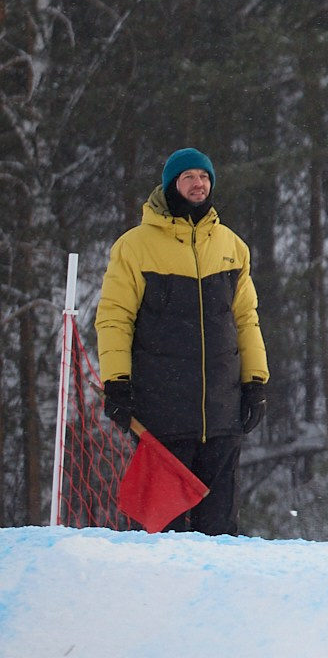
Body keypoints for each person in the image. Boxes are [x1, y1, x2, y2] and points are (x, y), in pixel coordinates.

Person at [95, 149, 269, 535]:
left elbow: (246, 318)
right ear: (171, 184)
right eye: (188, 176)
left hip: (222, 412)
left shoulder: (232, 247)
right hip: (163, 412)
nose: (198, 184)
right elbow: (114, 318)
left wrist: (255, 382)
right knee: (168, 534)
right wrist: (116, 382)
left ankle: (219, 596)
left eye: (204, 177)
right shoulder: (134, 246)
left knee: (221, 530)